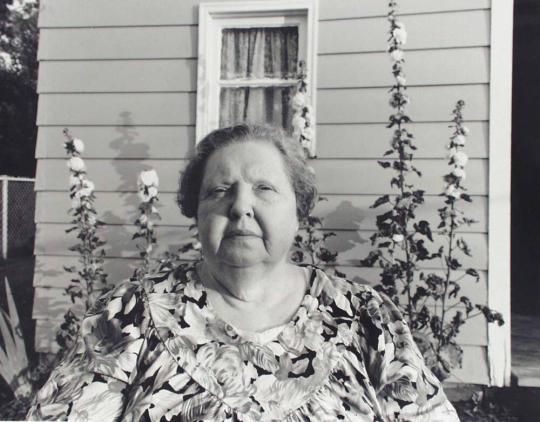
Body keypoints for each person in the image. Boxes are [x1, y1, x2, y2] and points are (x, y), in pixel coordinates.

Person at [28, 124, 459, 421]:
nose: (240, 206)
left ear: (299, 210)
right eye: (219, 191)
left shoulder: (366, 317)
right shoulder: (132, 313)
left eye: (265, 189)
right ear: (196, 214)